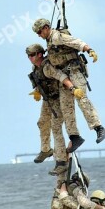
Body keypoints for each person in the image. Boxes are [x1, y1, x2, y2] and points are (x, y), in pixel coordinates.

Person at [32, 18, 105, 147]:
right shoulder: (50, 41)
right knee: (66, 107)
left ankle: (99, 128)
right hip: (64, 76)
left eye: (39, 32)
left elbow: (75, 42)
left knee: (82, 100)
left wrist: (89, 50)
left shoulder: (58, 37)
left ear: (46, 27)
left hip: (74, 71)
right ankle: (74, 136)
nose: (39, 35)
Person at [27, 43, 68, 176]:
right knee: (42, 123)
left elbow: (60, 76)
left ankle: (61, 161)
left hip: (58, 99)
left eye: (32, 55)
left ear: (39, 54)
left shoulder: (47, 67)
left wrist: (73, 88)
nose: (30, 58)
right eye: (28, 56)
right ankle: (46, 150)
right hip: (48, 99)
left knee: (56, 128)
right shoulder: (35, 68)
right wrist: (37, 92)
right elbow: (40, 82)